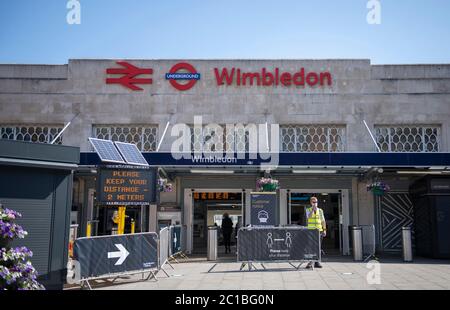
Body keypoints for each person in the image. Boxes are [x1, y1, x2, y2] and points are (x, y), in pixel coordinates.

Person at [305, 196, 326, 268]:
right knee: (311, 247)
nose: (315, 203)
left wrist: (324, 230)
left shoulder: (320, 210)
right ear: (311, 203)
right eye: (314, 202)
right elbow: (309, 217)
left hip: (319, 231)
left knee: (318, 247)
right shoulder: (308, 210)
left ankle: (317, 262)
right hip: (311, 231)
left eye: (316, 202)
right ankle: (310, 263)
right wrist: (312, 210)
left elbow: (323, 221)